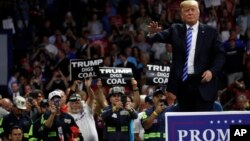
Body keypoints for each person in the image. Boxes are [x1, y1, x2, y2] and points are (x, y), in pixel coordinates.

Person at [147, 0, 225, 111]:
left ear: (198, 13)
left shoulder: (211, 32)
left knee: (202, 122)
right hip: (183, 85)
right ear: (182, 15)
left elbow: (220, 55)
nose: (190, 13)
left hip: (203, 83)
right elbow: (155, 36)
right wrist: (152, 33)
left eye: (193, 10)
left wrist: (212, 71)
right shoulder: (175, 30)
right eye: (186, 11)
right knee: (186, 121)